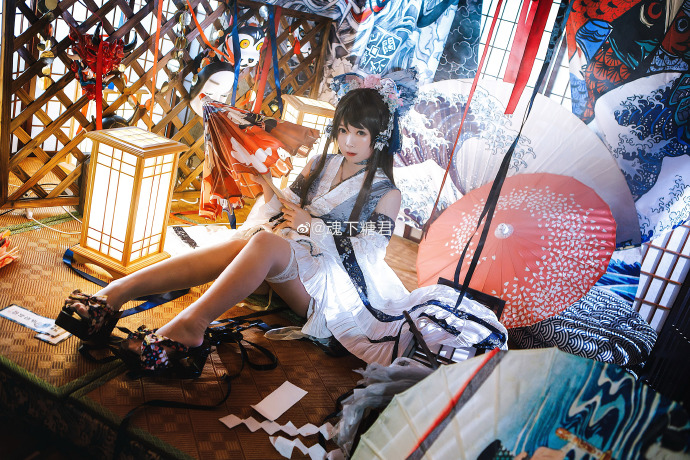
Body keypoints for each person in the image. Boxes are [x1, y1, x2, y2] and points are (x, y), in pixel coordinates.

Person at [61, 76, 507, 375]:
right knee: (256, 240)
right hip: (293, 251)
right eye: (343, 130)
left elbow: (369, 251)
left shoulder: (388, 193)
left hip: (337, 284)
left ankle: (189, 327)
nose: (349, 141)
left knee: (265, 244)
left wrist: (311, 226)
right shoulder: (321, 163)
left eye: (360, 134)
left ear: (380, 138)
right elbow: (287, 207)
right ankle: (113, 296)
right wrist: (266, 185)